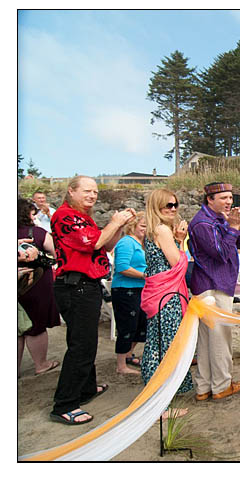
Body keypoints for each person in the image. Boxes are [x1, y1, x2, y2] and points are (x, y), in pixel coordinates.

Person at [50, 176, 136, 425]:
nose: (92, 195)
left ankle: (85, 389)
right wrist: (114, 221)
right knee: (81, 345)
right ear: (71, 191)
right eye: (87, 190)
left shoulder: (82, 217)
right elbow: (92, 243)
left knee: (85, 342)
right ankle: (65, 404)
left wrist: (117, 226)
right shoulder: (64, 216)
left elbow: (106, 244)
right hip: (75, 286)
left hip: (85, 286)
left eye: (95, 191)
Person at [188, 182, 240, 401]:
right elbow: (221, 254)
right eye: (223, 198)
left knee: (207, 339)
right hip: (212, 285)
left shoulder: (220, 218)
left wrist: (237, 224)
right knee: (220, 336)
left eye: (230, 198)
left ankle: (204, 387)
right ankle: (222, 385)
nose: (229, 202)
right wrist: (231, 228)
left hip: (218, 283)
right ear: (209, 200)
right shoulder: (202, 223)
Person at [141, 190, 193, 417]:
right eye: (167, 205)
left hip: (158, 290)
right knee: (168, 345)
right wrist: (181, 244)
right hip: (167, 294)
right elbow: (177, 263)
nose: (173, 209)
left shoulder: (153, 230)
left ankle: (157, 396)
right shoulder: (162, 230)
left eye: (175, 205)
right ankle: (159, 404)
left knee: (158, 342)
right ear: (156, 207)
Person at [17, 199, 60, 376]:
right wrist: (40, 256)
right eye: (33, 214)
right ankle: (41, 364)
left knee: (17, 328)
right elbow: (56, 256)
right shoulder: (38, 233)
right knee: (36, 326)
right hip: (36, 285)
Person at [110, 211, 148, 375]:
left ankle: (128, 354)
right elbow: (122, 267)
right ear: (133, 226)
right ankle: (121, 365)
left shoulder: (142, 244)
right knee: (127, 325)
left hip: (140, 288)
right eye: (142, 226)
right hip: (125, 289)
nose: (145, 230)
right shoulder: (126, 242)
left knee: (140, 324)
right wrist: (144, 275)